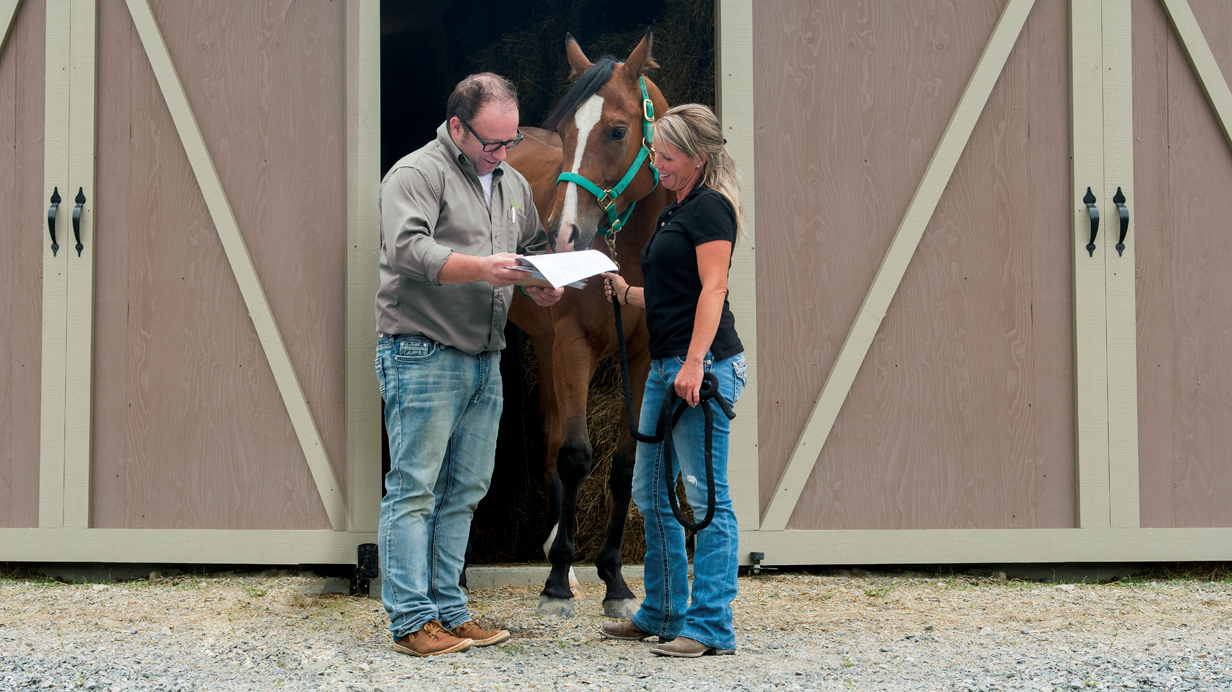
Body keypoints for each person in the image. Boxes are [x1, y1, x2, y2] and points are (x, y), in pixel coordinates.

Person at [375, 73, 563, 657]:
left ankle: (449, 611)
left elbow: (529, 249)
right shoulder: (415, 173)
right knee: (414, 490)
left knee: (465, 491)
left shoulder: (509, 183)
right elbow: (407, 249)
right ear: (457, 126)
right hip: (422, 350)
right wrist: (484, 267)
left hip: (486, 357)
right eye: (492, 143)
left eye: (509, 143)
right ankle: (410, 622)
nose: (502, 154)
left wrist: (542, 284)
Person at [599, 104, 747, 657]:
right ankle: (662, 611)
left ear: (698, 159)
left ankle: (710, 627)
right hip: (669, 368)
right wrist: (626, 292)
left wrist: (693, 364)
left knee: (708, 499)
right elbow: (673, 294)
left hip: (699, 371)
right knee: (650, 491)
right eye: (656, 153)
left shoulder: (710, 211)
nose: (656, 164)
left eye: (666, 156)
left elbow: (713, 291)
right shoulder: (675, 209)